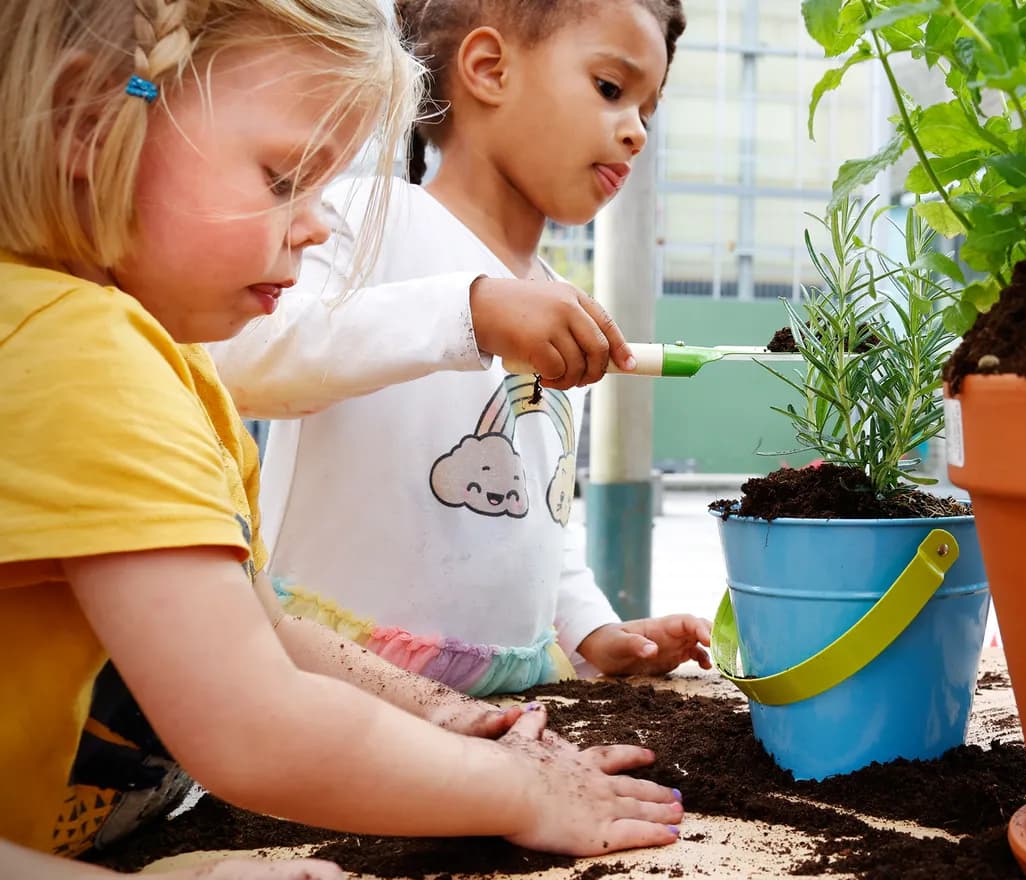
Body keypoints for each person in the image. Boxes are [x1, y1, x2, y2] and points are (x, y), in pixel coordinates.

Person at [0, 1, 682, 876]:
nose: (317, 223)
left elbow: (259, 626)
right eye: (283, 178)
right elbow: (250, 721)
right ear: (90, 126)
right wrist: (523, 791)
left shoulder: (135, 355)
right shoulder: (82, 351)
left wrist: (438, 714)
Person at [207, 0, 711, 701]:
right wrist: (468, 311)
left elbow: (540, 507)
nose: (636, 134)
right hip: (342, 690)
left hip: (514, 694)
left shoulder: (555, 299)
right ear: (488, 69)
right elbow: (249, 358)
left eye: (648, 113)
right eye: (610, 89)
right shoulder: (368, 216)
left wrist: (592, 630)